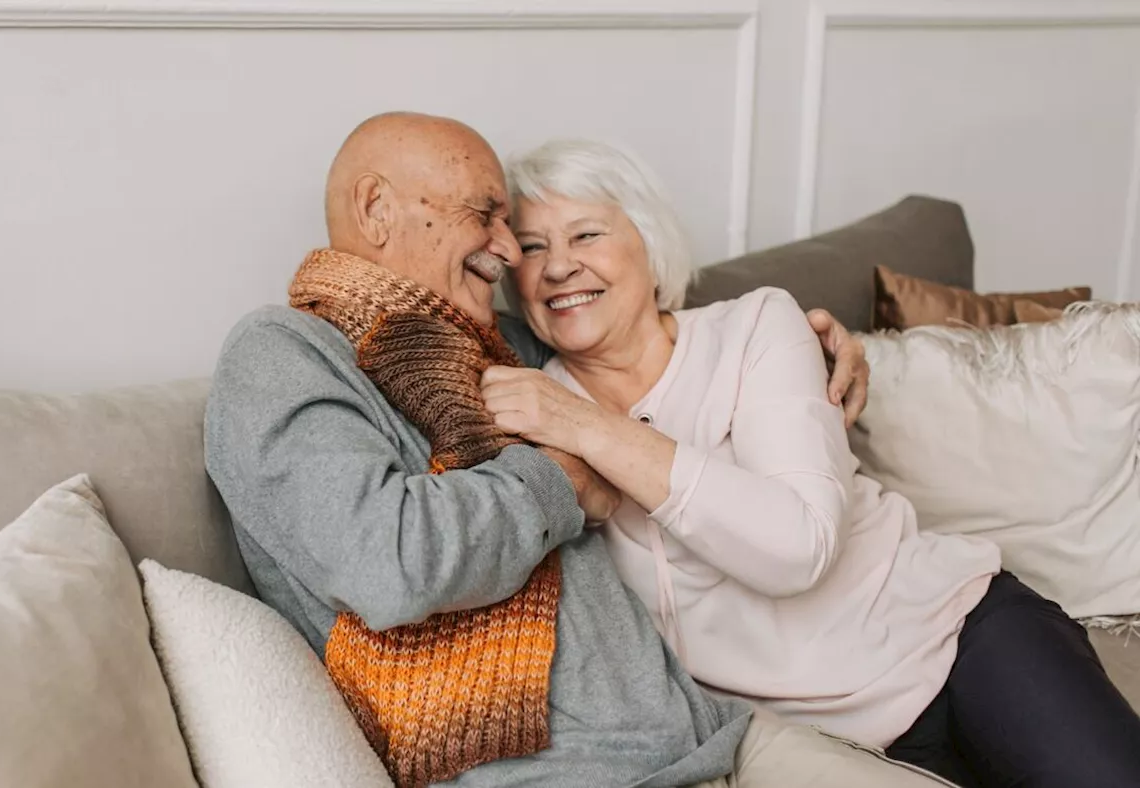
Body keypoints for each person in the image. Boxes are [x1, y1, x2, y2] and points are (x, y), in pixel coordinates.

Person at [205, 111, 955, 788]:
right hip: (567, 773)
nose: (509, 251)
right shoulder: (282, 355)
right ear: (375, 209)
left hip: (714, 733)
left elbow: (638, 323)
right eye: (488, 217)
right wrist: (561, 479)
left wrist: (820, 344)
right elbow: (388, 561)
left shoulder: (498, 344)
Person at [483, 136, 1140, 788]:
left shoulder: (755, 328)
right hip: (817, 745)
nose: (559, 267)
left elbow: (797, 547)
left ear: (649, 246)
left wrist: (593, 430)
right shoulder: (531, 402)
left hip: (957, 640)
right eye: (533, 247)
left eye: (586, 235)